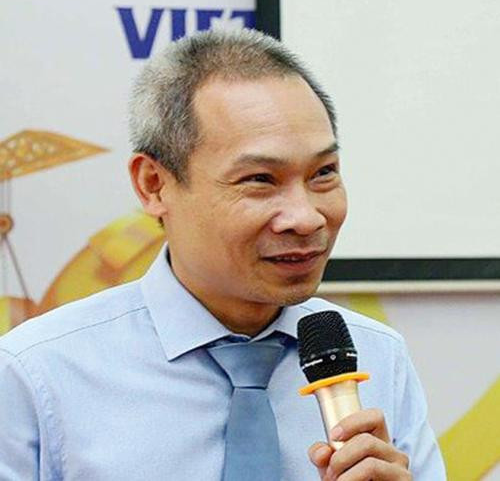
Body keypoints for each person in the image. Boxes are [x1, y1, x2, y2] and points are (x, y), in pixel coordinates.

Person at [0, 29, 445, 480]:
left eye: (324, 173)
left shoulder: (376, 354)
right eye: (260, 179)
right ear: (154, 185)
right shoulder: (36, 374)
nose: (306, 217)